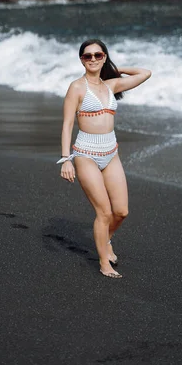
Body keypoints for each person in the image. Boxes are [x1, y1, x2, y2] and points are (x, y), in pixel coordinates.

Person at [57, 39, 151, 279]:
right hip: (85, 154)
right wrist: (66, 159)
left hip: (111, 154)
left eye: (98, 55)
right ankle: (103, 262)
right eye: (87, 56)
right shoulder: (76, 88)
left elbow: (145, 73)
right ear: (81, 60)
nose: (93, 59)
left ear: (105, 57)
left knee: (121, 212)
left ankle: (106, 239)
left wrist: (114, 68)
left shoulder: (112, 85)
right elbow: (67, 124)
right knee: (104, 212)